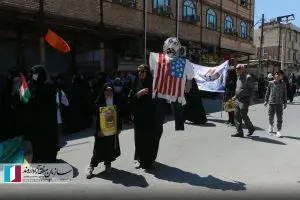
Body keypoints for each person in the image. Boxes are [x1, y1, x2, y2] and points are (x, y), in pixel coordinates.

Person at [85, 84, 122, 179]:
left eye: (111, 90)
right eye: (107, 90)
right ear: (104, 91)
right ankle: (91, 167)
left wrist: (119, 128)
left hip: (112, 129)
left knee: (110, 147)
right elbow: (97, 118)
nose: (109, 92)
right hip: (101, 130)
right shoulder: (99, 102)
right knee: (98, 148)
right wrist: (98, 131)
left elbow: (119, 116)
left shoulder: (116, 101)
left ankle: (108, 165)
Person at [129, 64, 159, 169]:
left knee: (150, 138)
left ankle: (150, 160)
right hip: (138, 117)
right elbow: (129, 98)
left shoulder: (153, 83)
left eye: (142, 71)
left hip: (150, 116)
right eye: (138, 72)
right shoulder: (135, 82)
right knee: (139, 138)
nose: (140, 74)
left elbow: (158, 98)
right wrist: (138, 94)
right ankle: (138, 158)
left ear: (147, 72)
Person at [27, 65, 59, 163]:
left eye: (35, 74)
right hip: (36, 121)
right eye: (33, 74)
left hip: (47, 120)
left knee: (48, 140)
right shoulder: (32, 86)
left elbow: (49, 103)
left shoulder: (48, 87)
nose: (33, 76)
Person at [231, 64, 255, 138]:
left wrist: (251, 100)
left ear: (242, 69)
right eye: (236, 68)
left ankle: (251, 129)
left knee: (243, 114)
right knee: (236, 115)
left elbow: (251, 89)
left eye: (238, 68)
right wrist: (235, 97)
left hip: (245, 99)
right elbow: (238, 88)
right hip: (238, 99)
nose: (236, 70)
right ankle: (239, 132)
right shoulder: (238, 77)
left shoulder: (248, 77)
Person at [264, 70, 287, 138]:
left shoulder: (283, 84)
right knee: (271, 115)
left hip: (279, 103)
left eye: (279, 75)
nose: (277, 75)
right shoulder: (271, 83)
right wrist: (266, 101)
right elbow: (268, 92)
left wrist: (285, 102)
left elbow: (284, 93)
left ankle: (278, 130)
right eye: (276, 74)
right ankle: (271, 125)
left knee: (279, 117)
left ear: (281, 76)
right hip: (271, 102)